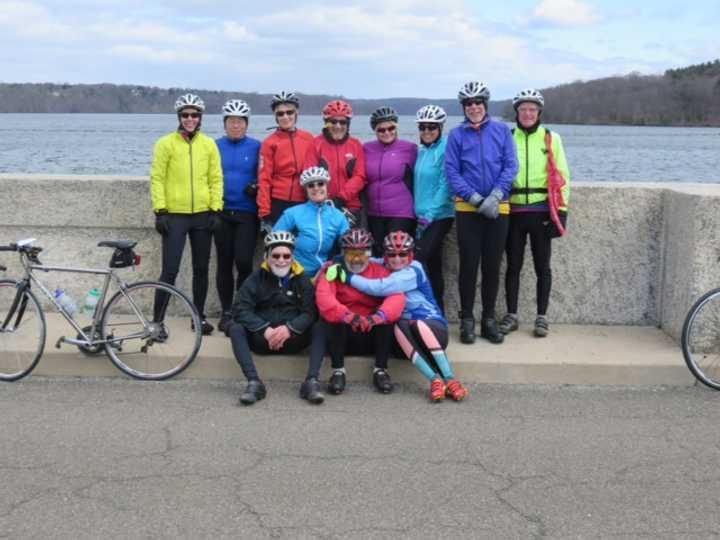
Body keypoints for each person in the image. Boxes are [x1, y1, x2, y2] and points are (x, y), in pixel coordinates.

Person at [346, 231, 469, 402]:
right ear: (385, 255)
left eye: (403, 254)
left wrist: (348, 277)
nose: (397, 259)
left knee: (416, 323)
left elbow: (380, 287)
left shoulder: (414, 269)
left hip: (434, 329)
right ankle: (435, 380)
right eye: (392, 254)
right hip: (409, 337)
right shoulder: (384, 264)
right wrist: (337, 262)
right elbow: (364, 261)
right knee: (399, 325)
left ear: (411, 255)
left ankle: (450, 378)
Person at [445, 81, 518, 345]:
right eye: (468, 104)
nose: (474, 107)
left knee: (491, 266)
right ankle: (467, 320)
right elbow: (452, 172)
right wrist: (475, 199)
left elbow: (511, 165)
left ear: (485, 105)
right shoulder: (455, 135)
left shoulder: (501, 131)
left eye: (478, 103)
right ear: (464, 108)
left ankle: (488, 319)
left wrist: (496, 195)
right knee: (468, 266)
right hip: (467, 209)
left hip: (500, 208)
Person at [499, 89, 571, 338]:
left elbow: (563, 176)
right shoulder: (507, 137)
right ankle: (512, 315)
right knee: (513, 266)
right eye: (523, 110)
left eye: (532, 109)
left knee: (543, 266)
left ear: (539, 112)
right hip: (514, 210)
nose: (527, 114)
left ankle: (542, 317)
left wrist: (561, 212)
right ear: (516, 113)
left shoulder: (552, 138)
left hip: (541, 209)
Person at [150, 93, 223, 335]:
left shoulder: (209, 144)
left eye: (194, 115)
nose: (190, 119)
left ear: (200, 118)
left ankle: (198, 317)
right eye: (185, 115)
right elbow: (157, 178)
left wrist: (215, 209)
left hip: (203, 215)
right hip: (175, 216)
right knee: (170, 269)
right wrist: (160, 211)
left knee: (201, 269)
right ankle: (157, 321)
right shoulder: (165, 143)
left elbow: (215, 178)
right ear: (179, 117)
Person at [229, 231, 326, 406]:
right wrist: (265, 330)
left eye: (286, 255)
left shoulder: (303, 280)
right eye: (276, 255)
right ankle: (254, 383)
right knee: (235, 327)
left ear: (292, 257)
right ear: (267, 256)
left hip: (293, 339)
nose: (281, 260)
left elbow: (310, 312)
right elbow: (240, 309)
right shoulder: (255, 278)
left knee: (321, 326)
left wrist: (289, 329)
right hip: (263, 339)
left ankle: (311, 381)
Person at [315, 229, 405, 394]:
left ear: (369, 253)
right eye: (351, 254)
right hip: (343, 335)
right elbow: (324, 299)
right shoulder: (333, 270)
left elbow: (397, 297)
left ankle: (381, 370)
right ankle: (338, 371)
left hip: (370, 332)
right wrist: (347, 316)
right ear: (343, 253)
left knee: (388, 319)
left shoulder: (380, 270)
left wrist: (378, 317)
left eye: (362, 253)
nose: (356, 259)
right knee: (332, 318)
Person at [214, 99, 262, 334]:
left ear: (246, 124)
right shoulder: (214, 146)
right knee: (224, 263)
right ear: (225, 124)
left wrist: (257, 185)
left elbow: (267, 173)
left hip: (246, 212)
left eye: (240, 121)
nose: (236, 125)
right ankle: (226, 312)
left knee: (243, 262)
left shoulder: (256, 147)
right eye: (231, 121)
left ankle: (241, 308)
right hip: (221, 212)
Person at [412, 105, 455, 315]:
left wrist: (429, 214)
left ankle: (430, 308)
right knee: (434, 265)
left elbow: (445, 185)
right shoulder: (421, 151)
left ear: (440, 128)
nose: (427, 131)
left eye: (432, 127)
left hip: (439, 216)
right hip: (421, 217)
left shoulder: (446, 148)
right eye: (423, 127)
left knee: (418, 260)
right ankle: (438, 311)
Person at [273, 167, 350, 277]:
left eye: (320, 184)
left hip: (324, 273)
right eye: (310, 185)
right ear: (306, 190)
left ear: (327, 186)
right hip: (295, 272)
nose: (316, 188)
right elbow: (274, 241)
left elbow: (349, 243)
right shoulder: (292, 213)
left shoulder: (338, 215)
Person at [257, 91, 315, 234]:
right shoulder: (269, 142)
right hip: (278, 202)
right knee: (277, 249)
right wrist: (264, 212)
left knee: (302, 249)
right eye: (280, 114)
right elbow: (264, 179)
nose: (285, 117)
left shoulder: (308, 138)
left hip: (304, 201)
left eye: (290, 112)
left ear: (297, 113)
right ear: (275, 116)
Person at [363, 107, 418, 256]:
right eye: (381, 130)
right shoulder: (366, 148)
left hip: (401, 213)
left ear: (396, 127)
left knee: (396, 256)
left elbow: (423, 177)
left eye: (391, 128)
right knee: (378, 256)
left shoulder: (410, 148)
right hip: (374, 213)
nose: (387, 132)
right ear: (375, 130)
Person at [304, 99, 366, 227]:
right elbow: (309, 175)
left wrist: (341, 198)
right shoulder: (316, 144)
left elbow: (360, 176)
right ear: (326, 123)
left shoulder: (356, 145)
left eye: (342, 122)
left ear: (348, 124)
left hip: (351, 206)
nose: (338, 126)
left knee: (352, 246)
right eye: (333, 121)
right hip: (322, 206)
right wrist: (323, 199)